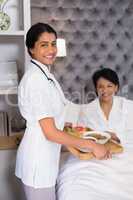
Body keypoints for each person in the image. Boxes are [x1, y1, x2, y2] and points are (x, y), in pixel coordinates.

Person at [15, 23, 110, 200]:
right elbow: (50, 132)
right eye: (44, 45)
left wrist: (98, 132)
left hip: (44, 159)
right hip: (38, 162)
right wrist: (92, 145)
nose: (51, 49)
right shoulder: (36, 80)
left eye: (53, 43)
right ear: (31, 49)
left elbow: (58, 114)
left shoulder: (46, 75)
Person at [56, 68, 133, 200]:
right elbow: (82, 138)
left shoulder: (128, 106)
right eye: (101, 86)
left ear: (116, 87)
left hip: (124, 156)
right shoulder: (87, 110)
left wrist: (117, 137)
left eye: (110, 86)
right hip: (94, 159)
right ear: (96, 89)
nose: (105, 90)